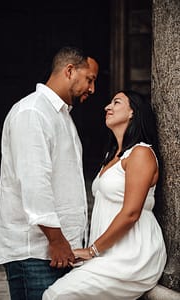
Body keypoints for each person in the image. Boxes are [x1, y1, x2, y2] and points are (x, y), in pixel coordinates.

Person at [0, 46, 99, 300]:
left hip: (57, 251)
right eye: (90, 79)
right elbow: (34, 182)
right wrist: (56, 241)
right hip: (36, 253)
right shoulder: (32, 112)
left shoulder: (61, 116)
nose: (92, 89)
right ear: (70, 70)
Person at [42, 90, 167, 300]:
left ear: (133, 113)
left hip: (134, 253)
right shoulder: (112, 156)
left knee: (56, 295)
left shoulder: (141, 153)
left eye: (116, 103)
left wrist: (92, 251)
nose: (107, 107)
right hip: (108, 252)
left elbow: (131, 213)